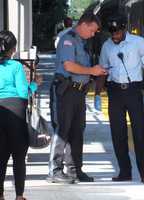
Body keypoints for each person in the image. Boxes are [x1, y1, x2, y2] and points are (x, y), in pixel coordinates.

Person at [95, 13, 144, 183]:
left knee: (138, 134)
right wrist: (98, 94)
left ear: (124, 29)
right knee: (117, 134)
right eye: (112, 33)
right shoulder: (107, 46)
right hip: (114, 92)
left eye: (117, 33)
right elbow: (102, 70)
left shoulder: (138, 42)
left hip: (133, 91)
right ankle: (125, 172)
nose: (114, 36)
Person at [47, 12, 107, 183]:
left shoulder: (82, 42)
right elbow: (69, 65)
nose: (94, 34)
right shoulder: (68, 40)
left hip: (79, 92)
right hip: (66, 91)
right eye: (93, 30)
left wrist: (95, 74)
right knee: (63, 130)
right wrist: (91, 71)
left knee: (77, 131)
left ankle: (74, 170)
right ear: (84, 25)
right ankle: (55, 170)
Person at [0, 30, 37, 200]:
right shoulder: (15, 66)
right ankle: (19, 196)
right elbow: (23, 93)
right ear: (12, 49)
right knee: (18, 157)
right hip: (15, 111)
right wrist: (35, 86)